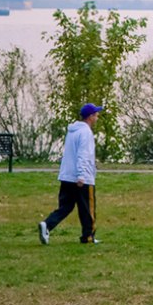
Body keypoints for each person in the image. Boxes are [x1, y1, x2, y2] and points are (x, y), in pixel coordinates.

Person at [38, 103, 103, 245]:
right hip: (81, 178)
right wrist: (82, 175)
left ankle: (47, 225)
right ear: (90, 117)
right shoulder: (86, 132)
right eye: (96, 114)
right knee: (87, 209)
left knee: (65, 207)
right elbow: (83, 155)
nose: (97, 117)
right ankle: (88, 236)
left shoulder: (73, 131)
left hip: (67, 176)